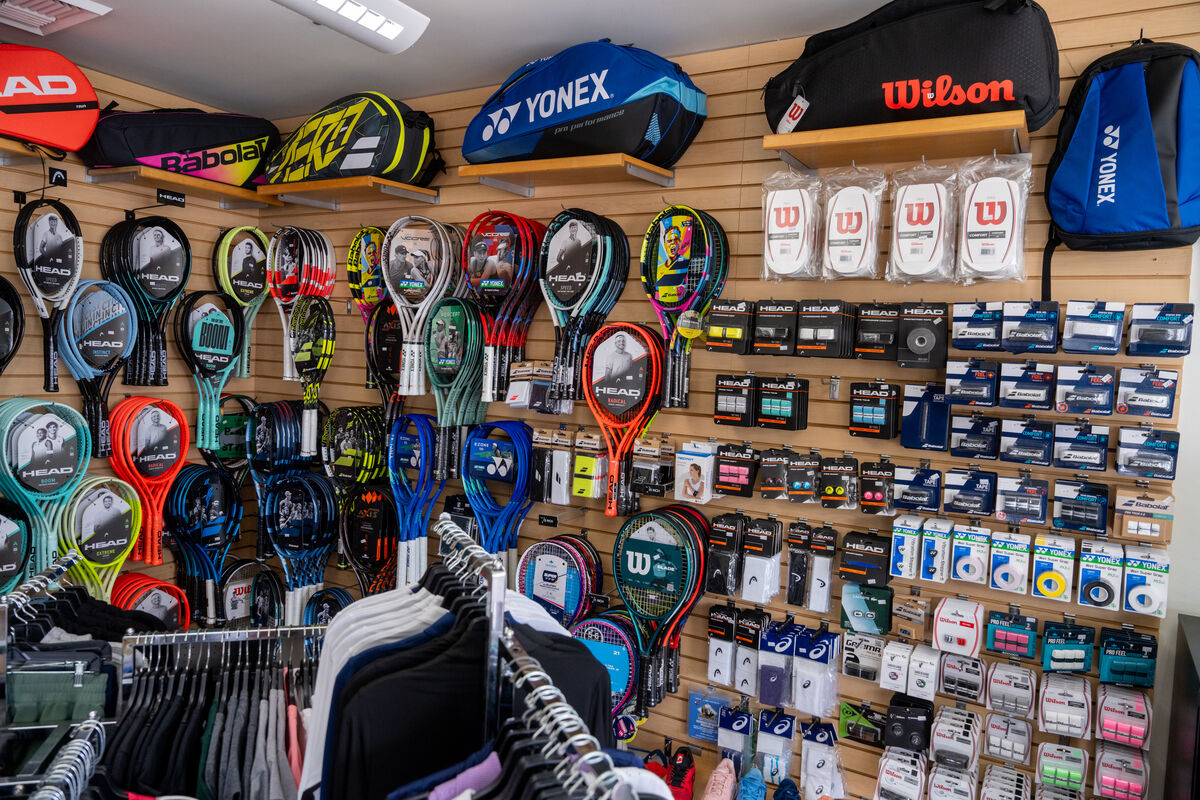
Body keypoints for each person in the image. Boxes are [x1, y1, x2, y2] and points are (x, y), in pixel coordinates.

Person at [550, 219, 592, 284]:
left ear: (577, 229)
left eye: (575, 227)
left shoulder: (579, 241)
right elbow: (558, 258)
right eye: (572, 228)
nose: (573, 229)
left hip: (577, 271)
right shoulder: (565, 241)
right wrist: (566, 266)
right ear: (569, 229)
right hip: (567, 271)